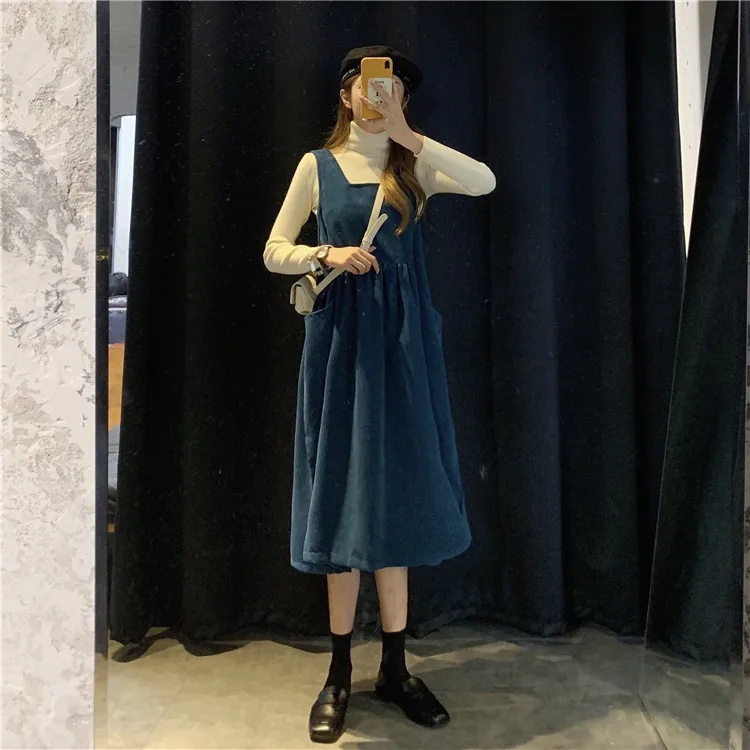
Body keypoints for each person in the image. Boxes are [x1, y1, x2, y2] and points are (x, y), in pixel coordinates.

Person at [264, 45, 496, 743]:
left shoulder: (412, 165)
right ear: (346, 95)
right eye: (367, 87)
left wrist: (408, 136)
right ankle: (339, 672)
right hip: (341, 349)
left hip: (402, 351)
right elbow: (274, 250)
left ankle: (395, 667)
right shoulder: (317, 165)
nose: (377, 96)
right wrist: (325, 253)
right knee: (340, 495)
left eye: (389, 88)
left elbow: (484, 182)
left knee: (393, 494)